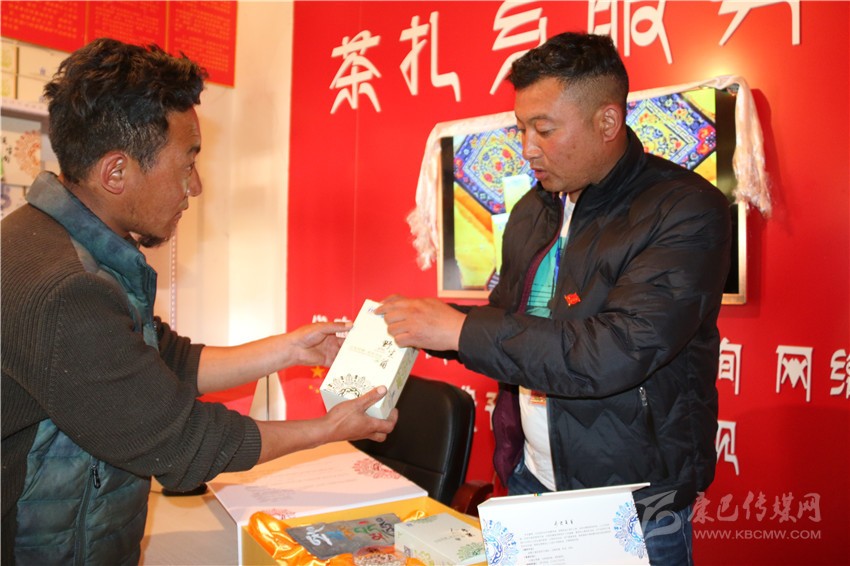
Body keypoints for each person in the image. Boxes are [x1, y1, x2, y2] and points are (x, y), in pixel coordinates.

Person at [1, 38, 397, 565]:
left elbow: (159, 360)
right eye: (186, 164)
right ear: (116, 173)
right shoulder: (65, 288)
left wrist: (288, 350)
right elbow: (183, 444)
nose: (196, 186)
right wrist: (328, 429)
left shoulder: (51, 242)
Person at [377, 31, 731, 565]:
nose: (527, 148)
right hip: (530, 479)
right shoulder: (533, 210)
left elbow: (617, 349)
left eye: (543, 130)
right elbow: (508, 322)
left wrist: (459, 329)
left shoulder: (684, 209)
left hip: (632, 500)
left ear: (607, 122)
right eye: (521, 128)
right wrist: (426, 327)